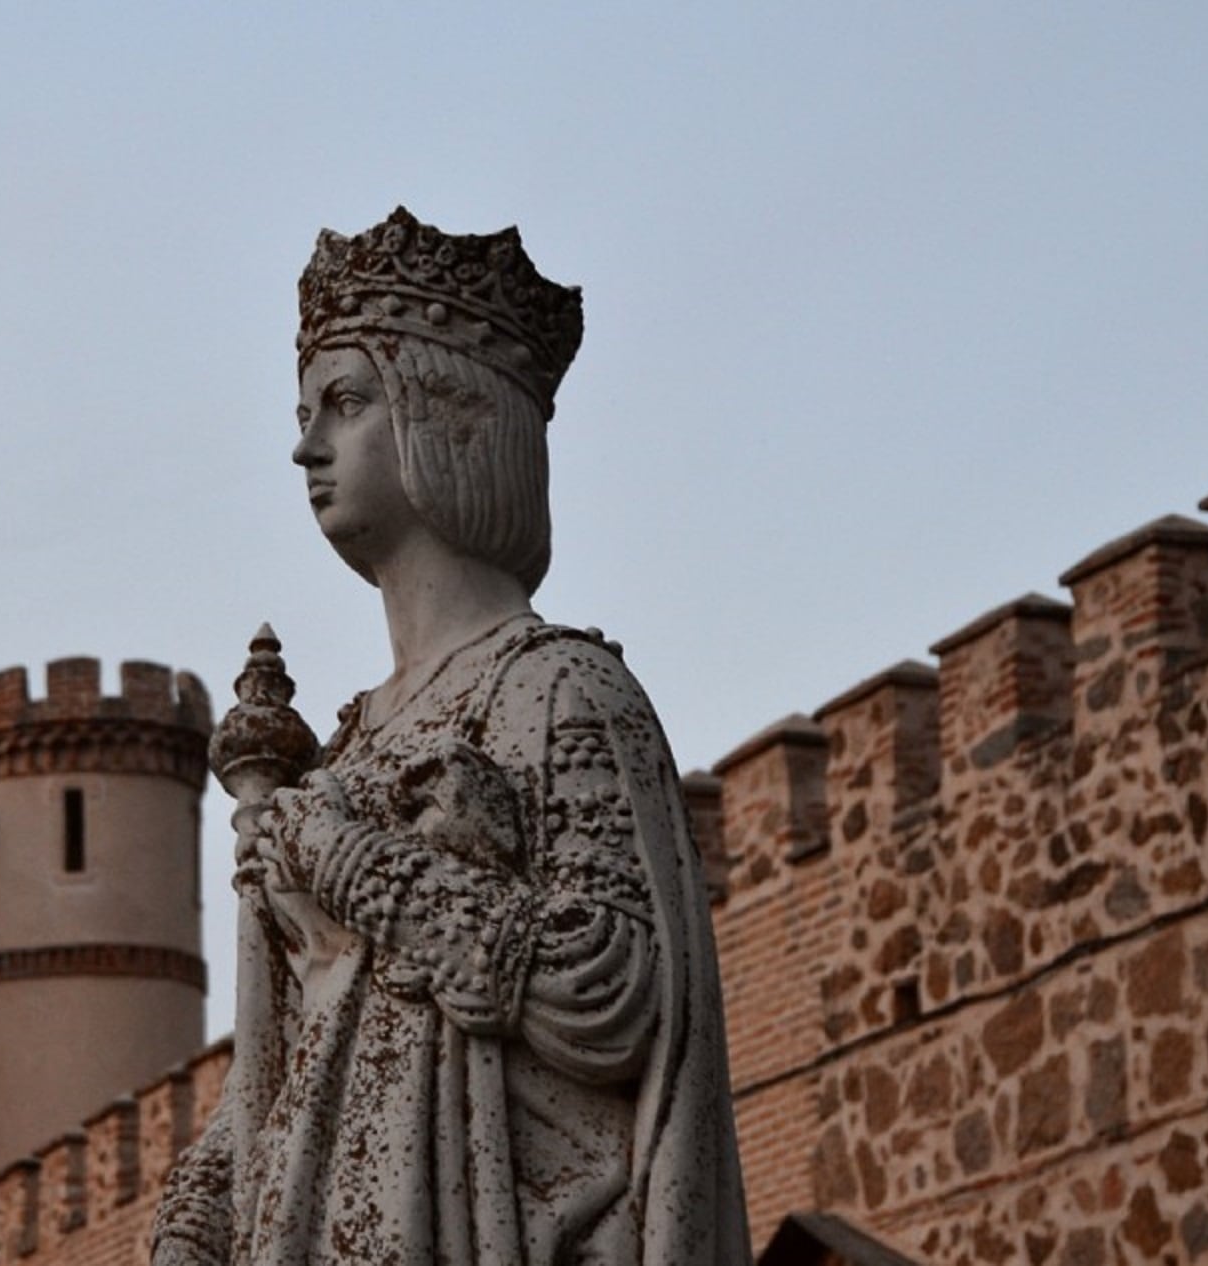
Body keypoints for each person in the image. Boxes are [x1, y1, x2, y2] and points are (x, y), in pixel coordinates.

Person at [153, 208, 749, 1265]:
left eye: (343, 403)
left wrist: (347, 862)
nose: (305, 447)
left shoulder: (562, 690)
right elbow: (288, 1057)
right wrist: (199, 1213)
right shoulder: (341, 748)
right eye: (304, 412)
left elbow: (604, 990)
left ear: (451, 415)